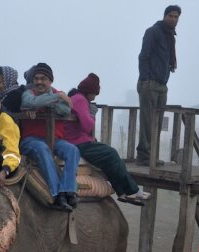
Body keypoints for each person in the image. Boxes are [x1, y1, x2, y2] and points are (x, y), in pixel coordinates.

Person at [64, 73, 151, 206]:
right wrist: (91, 114)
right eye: (95, 93)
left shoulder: (77, 98)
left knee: (108, 159)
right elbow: (88, 126)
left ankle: (121, 193)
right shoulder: (80, 100)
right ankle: (133, 190)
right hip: (77, 142)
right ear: (90, 92)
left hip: (79, 139)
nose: (95, 97)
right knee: (111, 154)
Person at [20, 62, 80, 211]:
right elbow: (29, 102)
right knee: (42, 148)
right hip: (31, 140)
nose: (39, 82)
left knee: (72, 150)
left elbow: (65, 110)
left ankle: (68, 190)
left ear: (50, 80)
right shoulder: (28, 93)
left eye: (43, 79)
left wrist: (41, 104)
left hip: (55, 139)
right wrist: (57, 97)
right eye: (36, 78)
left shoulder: (56, 92)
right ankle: (56, 195)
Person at [136, 5, 181, 166]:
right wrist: (145, 79)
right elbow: (144, 56)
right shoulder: (153, 32)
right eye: (171, 16)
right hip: (149, 83)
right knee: (148, 121)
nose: (173, 19)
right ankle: (144, 155)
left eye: (176, 17)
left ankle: (152, 155)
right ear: (164, 16)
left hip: (162, 84)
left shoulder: (170, 36)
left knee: (157, 122)